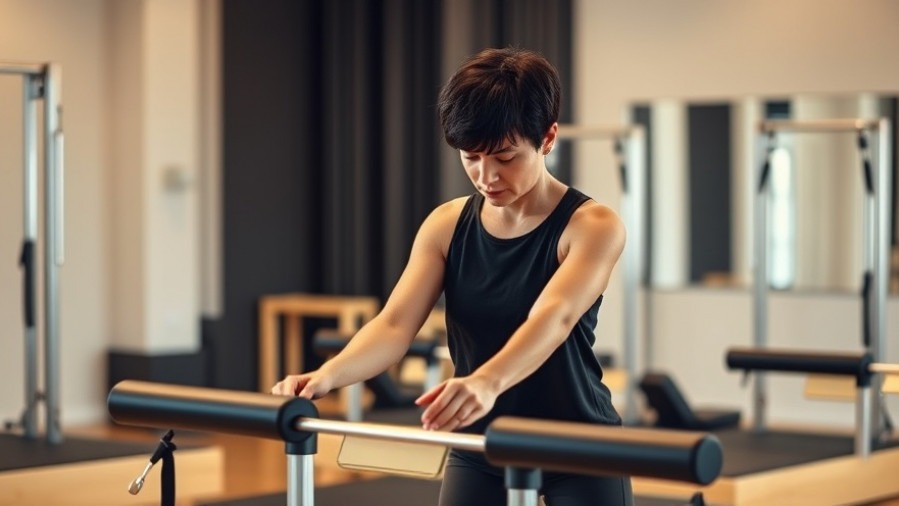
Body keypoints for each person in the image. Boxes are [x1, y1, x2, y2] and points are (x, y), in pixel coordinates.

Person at [272, 46, 632, 505]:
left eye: (504, 156)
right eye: (471, 157)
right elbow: (395, 325)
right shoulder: (446, 225)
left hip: (580, 444)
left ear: (547, 138)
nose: (486, 176)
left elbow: (554, 316)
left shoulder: (593, 226)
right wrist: (327, 376)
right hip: (479, 443)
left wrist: (486, 382)